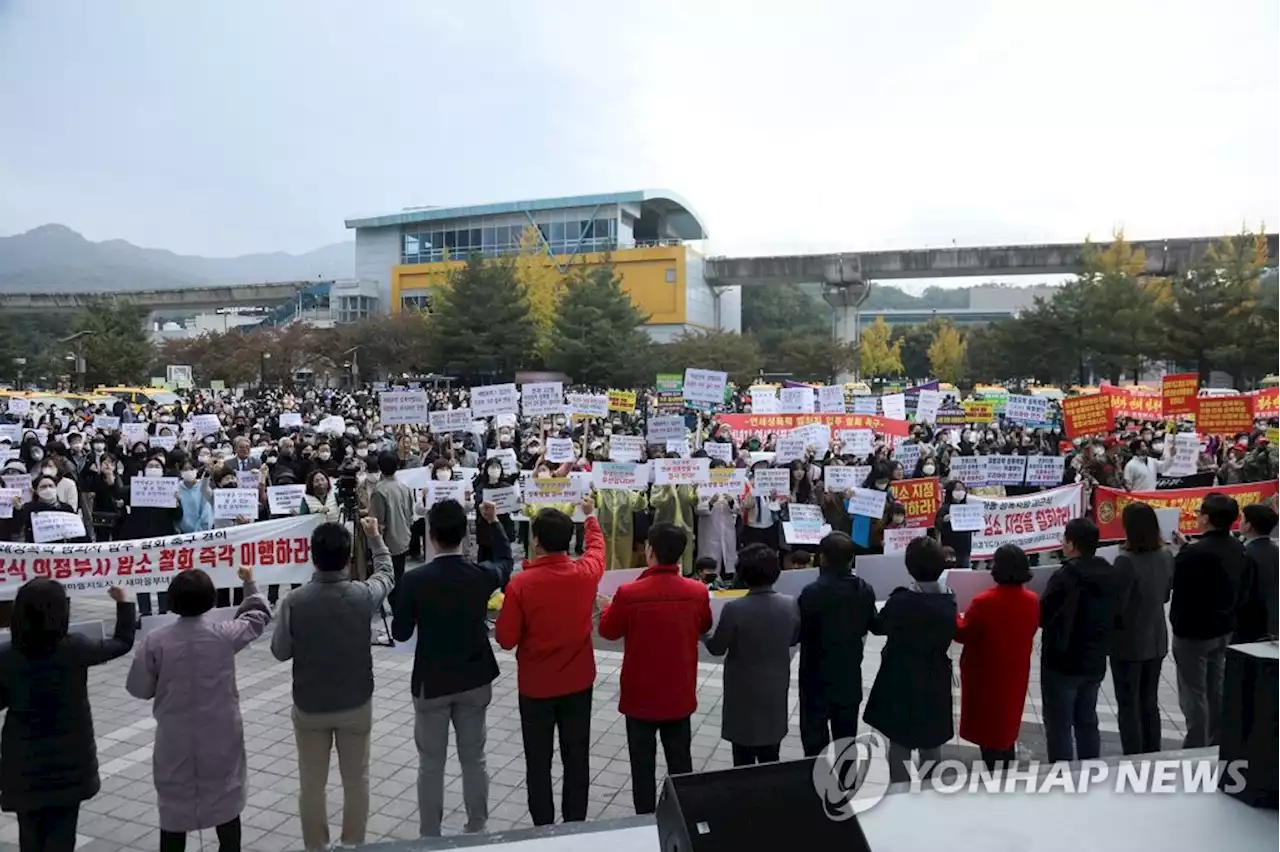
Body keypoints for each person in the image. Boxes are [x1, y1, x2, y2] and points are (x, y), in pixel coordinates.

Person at [270, 517, 395, 851]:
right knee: (357, 781)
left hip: (310, 705)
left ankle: (316, 846)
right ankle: (353, 844)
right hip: (356, 703)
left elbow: (280, 652)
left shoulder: (293, 602)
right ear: (348, 558)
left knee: (311, 784)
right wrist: (375, 539)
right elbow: (387, 574)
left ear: (312, 557)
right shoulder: (362, 595)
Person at [126, 566, 271, 852]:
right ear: (211, 598)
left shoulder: (155, 641)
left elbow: (138, 688)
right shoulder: (225, 633)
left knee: (174, 810)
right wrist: (249, 583)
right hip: (221, 735)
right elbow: (258, 617)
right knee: (226, 804)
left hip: (175, 739)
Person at [391, 499, 511, 838]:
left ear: (430, 536)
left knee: (431, 764)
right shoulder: (480, 574)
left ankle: (430, 834)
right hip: (475, 676)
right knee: (474, 758)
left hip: (431, 680)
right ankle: (477, 827)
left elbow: (400, 632)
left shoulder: (415, 581)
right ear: (465, 534)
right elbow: (505, 561)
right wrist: (495, 522)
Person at [0, 581, 135, 852]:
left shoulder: (6, 656)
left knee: (30, 833)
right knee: (62, 834)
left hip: (22, 765)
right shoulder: (75, 648)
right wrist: (123, 602)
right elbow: (121, 643)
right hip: (70, 763)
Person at [494, 497, 604, 827]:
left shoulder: (521, 584)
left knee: (538, 762)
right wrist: (592, 517)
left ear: (536, 540)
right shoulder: (585, 574)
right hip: (578, 683)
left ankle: (543, 826)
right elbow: (598, 552)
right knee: (577, 757)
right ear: (569, 541)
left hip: (536, 687)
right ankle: (575, 824)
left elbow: (506, 638)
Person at [598, 523, 712, 814]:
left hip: (640, 694)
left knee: (642, 765)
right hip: (679, 690)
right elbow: (705, 625)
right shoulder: (697, 591)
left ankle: (644, 821)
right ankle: (686, 815)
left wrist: (608, 606)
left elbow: (608, 631)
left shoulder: (628, 592)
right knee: (680, 761)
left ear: (650, 551)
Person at [864, 536, 957, 783]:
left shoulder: (902, 601)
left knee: (900, 740)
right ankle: (930, 790)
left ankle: (900, 796)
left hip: (901, 676)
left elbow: (879, 626)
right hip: (935, 676)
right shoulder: (949, 600)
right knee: (931, 740)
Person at [703, 543, 800, 767]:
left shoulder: (734, 609)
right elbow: (793, 638)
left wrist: (703, 634)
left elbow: (717, 648)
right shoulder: (790, 604)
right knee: (771, 754)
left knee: (743, 757)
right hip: (775, 685)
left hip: (742, 689)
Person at [1039, 517, 1124, 762]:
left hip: (1063, 662)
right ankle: (1090, 770)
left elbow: (1045, 615)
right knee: (1087, 719)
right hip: (1095, 658)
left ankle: (1062, 775)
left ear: (1072, 544)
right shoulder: (1111, 574)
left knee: (1059, 724)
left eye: (1064, 539)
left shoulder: (1065, 576)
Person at [1170, 492, 1249, 748]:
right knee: (1215, 687)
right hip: (1223, 628)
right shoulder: (1238, 548)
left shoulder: (1193, 555)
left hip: (1193, 633)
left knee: (1194, 693)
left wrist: (1183, 551)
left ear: (1206, 518)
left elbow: (1179, 590)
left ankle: (1195, 745)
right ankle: (1217, 740)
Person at [955, 543, 1040, 768]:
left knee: (988, 727)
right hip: (1016, 671)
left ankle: (993, 776)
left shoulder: (984, 602)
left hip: (986, 673)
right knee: (1007, 723)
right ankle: (1005, 767)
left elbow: (963, 633)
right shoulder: (1032, 600)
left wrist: (954, 613)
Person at [797, 531, 878, 756]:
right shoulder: (864, 589)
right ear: (851, 560)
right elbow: (874, 623)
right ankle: (846, 784)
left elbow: (798, 633)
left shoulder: (811, 592)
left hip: (815, 675)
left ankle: (815, 783)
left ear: (822, 558)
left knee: (814, 738)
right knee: (846, 738)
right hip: (849, 674)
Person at [1106, 502, 1174, 755]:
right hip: (1156, 636)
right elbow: (1166, 594)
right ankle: (1152, 750)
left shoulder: (1125, 561)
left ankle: (1134, 754)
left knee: (1128, 702)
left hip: (1129, 641)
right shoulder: (1166, 555)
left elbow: (1117, 606)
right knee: (1149, 701)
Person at [369, 451, 414, 604]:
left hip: (387, 542)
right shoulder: (405, 487)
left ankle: (397, 606)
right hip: (403, 537)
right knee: (399, 574)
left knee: (390, 578)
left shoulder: (379, 491)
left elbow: (377, 522)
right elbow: (410, 513)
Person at [1238, 503, 1280, 642]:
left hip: (1249, 624)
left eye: (1242, 519)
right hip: (1274, 620)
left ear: (1248, 525)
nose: (1239, 522)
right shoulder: (1275, 550)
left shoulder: (1246, 554)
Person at [933, 480, 974, 570]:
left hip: (964, 547)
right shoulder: (944, 508)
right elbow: (937, 525)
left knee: (964, 572)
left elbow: (974, 527)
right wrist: (944, 520)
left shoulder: (968, 508)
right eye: (957, 489)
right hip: (949, 548)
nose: (960, 492)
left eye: (962, 489)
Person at [174, 456, 213, 534]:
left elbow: (206, 513)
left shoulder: (203, 487)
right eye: (185, 469)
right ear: (180, 472)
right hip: (180, 534)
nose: (188, 471)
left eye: (191, 469)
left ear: (196, 470)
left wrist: (200, 531)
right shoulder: (176, 488)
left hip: (201, 534)